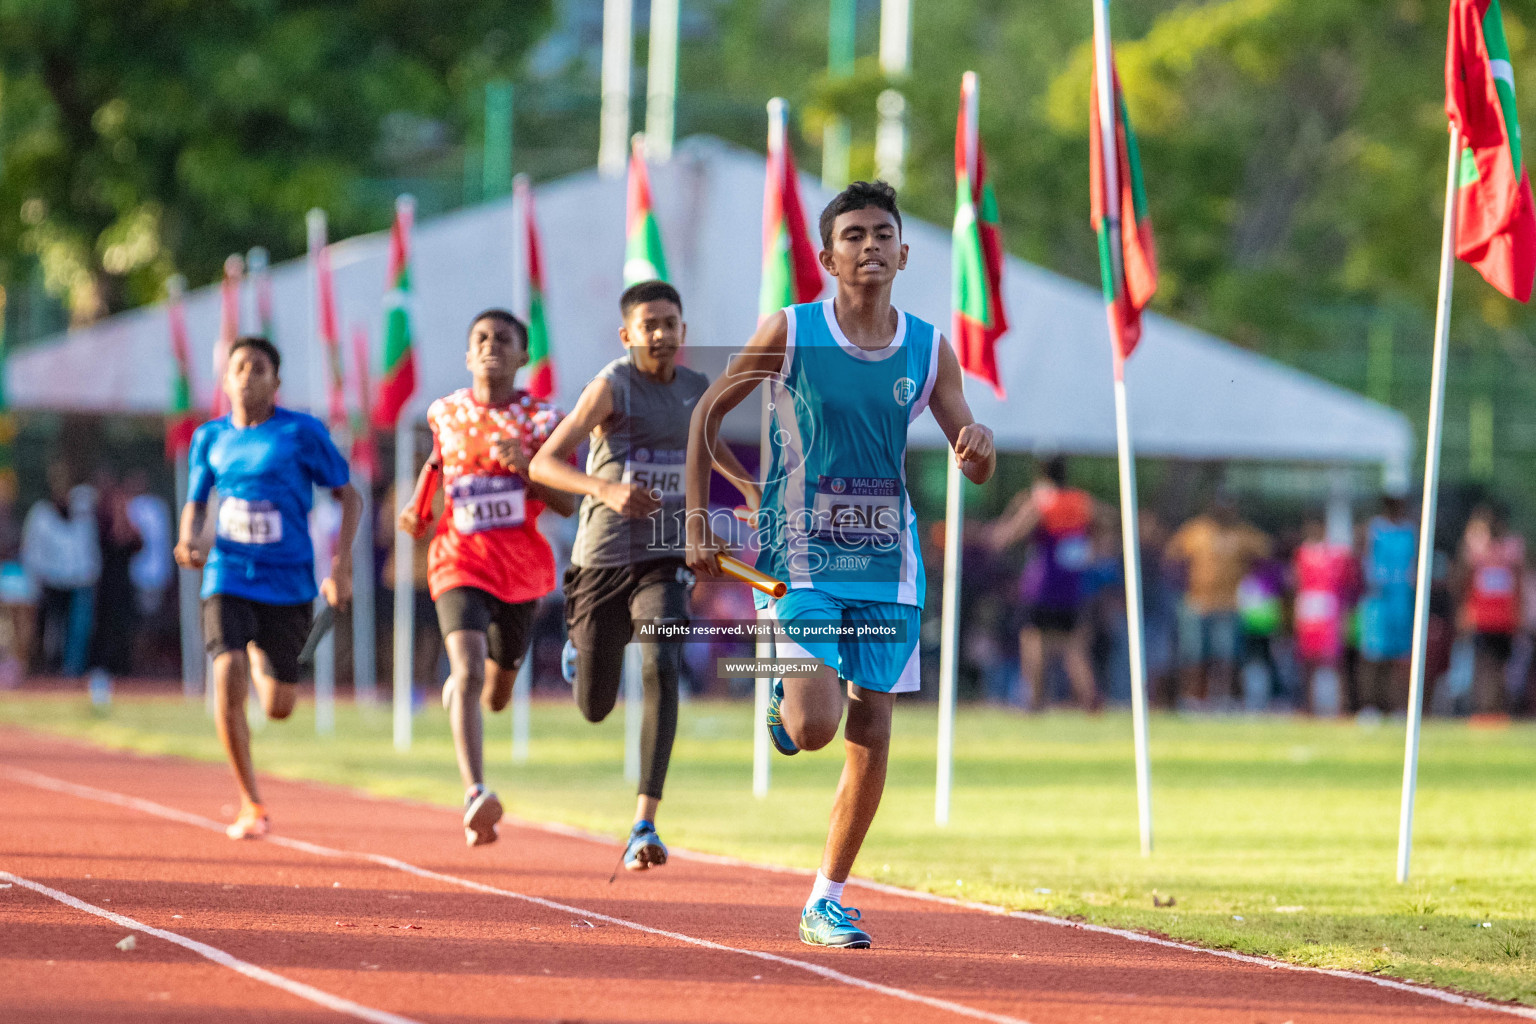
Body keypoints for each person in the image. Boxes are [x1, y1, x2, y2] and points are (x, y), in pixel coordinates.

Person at [685, 181, 995, 948]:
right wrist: (700, 514)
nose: (869, 246)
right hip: (801, 554)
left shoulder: (929, 348)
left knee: (875, 728)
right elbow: (706, 412)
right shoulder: (791, 331)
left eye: (882, 233)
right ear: (827, 255)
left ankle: (826, 898)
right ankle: (783, 687)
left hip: (889, 563)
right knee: (815, 726)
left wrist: (979, 447)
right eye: (853, 234)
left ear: (904, 251)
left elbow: (973, 458)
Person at [529, 280, 759, 870]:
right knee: (596, 706)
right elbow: (544, 463)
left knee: (660, 660)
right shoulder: (612, 387)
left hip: (664, 556)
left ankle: (644, 822)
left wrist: (747, 487)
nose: (660, 333)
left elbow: (706, 442)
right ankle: (582, 652)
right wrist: (603, 488)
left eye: (670, 323)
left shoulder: (694, 388)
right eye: (648, 324)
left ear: (683, 331)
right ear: (628, 334)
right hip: (601, 558)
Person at [398, 310, 576, 847]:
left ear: (524, 356)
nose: (491, 346)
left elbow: (565, 503)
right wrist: (416, 505)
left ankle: (465, 690)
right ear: (468, 354)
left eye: (504, 339)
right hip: (458, 560)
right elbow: (437, 460)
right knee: (469, 670)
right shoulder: (445, 411)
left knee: (494, 694)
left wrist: (526, 465)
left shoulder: (545, 419)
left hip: (521, 570)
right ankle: (476, 792)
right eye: (481, 338)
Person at [174, 336, 361, 840]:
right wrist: (188, 537)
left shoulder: (302, 432)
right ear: (226, 378)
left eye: (259, 368)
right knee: (227, 670)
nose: (248, 375)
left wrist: (341, 569)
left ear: (276, 382)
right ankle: (251, 801)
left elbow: (351, 498)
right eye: (240, 366)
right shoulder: (209, 437)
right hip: (229, 574)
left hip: (290, 582)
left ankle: (261, 655)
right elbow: (196, 500)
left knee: (279, 707)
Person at [989, 457, 1098, 710]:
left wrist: (1014, 510)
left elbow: (1006, 537)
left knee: (1033, 641)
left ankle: (1034, 702)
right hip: (1071, 586)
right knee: (1073, 646)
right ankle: (1090, 700)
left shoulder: (1040, 503)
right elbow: (1109, 522)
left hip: (1041, 585)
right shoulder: (1081, 501)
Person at [1167, 497, 1271, 709]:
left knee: (1226, 656)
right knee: (1194, 654)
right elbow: (1173, 555)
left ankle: (1222, 699)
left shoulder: (1243, 533)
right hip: (1198, 602)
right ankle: (1193, 699)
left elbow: (1266, 552)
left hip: (1229, 603)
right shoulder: (1196, 530)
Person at [21, 461, 100, 676]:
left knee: (78, 629)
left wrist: (92, 573)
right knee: (52, 630)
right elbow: (32, 550)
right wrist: (35, 581)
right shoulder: (41, 515)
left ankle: (72, 670)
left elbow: (89, 547)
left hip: (80, 581)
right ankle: (49, 669)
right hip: (51, 581)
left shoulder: (83, 511)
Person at [1456, 504, 1524, 720]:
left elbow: (1518, 584)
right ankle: (1483, 710)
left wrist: (1519, 613)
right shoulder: (1475, 549)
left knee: (1500, 666)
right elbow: (1462, 581)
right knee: (1483, 665)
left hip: (1504, 619)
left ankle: (1496, 710)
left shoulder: (1512, 549)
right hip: (1481, 618)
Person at [1357, 494, 1416, 714]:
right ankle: (1371, 705)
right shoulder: (1373, 529)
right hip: (1378, 602)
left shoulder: (1410, 531)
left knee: (1399, 659)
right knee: (1373, 657)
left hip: (1401, 601)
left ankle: (1397, 706)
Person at [1291, 514, 1356, 715]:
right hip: (1309, 610)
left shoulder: (1336, 555)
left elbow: (1347, 584)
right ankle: (1309, 706)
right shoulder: (1301, 554)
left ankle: (1342, 707)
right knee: (1308, 662)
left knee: (1334, 661)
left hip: (1328, 612)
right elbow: (1297, 583)